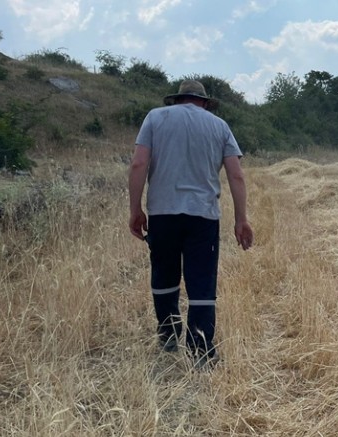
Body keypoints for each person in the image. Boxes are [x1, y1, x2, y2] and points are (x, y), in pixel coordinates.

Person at [128, 79, 254, 369]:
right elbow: (237, 175)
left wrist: (135, 209)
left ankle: (169, 335)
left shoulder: (155, 118)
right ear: (205, 103)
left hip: (162, 213)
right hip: (203, 215)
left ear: (176, 100)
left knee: (164, 275)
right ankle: (200, 349)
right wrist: (241, 219)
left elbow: (138, 164)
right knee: (201, 283)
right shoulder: (219, 126)